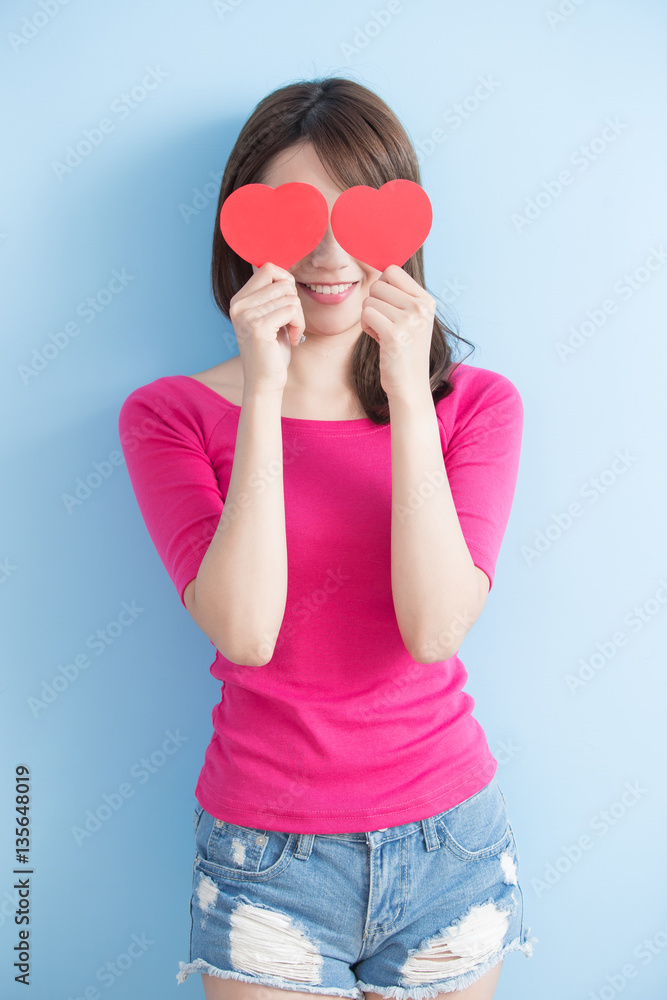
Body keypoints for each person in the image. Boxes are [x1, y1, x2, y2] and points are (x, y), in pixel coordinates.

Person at [118, 76, 536, 1000]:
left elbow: (433, 629)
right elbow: (246, 632)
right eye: (295, 218)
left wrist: (405, 390)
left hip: (449, 845)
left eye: (356, 213)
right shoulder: (170, 416)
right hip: (266, 861)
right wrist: (263, 391)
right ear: (242, 230)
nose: (328, 252)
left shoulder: (478, 407)